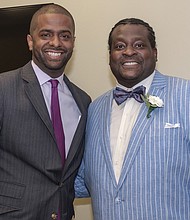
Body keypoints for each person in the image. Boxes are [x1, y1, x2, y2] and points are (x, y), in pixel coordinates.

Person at [75, 18, 190, 220]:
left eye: (139, 45)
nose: (128, 52)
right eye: (119, 46)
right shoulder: (94, 108)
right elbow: (84, 180)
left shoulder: (185, 94)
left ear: (154, 52)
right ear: (109, 56)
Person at [0, 4, 91, 220]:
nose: (56, 43)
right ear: (30, 41)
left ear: (73, 43)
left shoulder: (83, 101)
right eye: (46, 34)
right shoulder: (3, 88)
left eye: (65, 36)